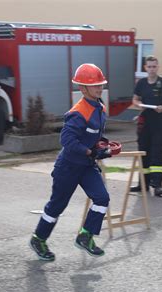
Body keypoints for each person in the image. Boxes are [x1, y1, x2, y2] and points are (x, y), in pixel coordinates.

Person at [29, 63, 113, 261]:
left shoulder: (100, 108)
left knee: (102, 198)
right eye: (95, 85)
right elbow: (66, 141)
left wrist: (101, 147)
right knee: (57, 206)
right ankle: (38, 238)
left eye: (101, 84)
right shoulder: (78, 112)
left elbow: (93, 136)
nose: (99, 88)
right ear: (82, 88)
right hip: (68, 167)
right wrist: (89, 151)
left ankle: (86, 236)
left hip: (86, 165)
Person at [130, 55, 162, 197]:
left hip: (160, 122)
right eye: (149, 66)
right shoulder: (141, 83)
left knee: (157, 154)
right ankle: (143, 184)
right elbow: (135, 100)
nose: (151, 69)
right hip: (145, 122)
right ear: (145, 68)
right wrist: (140, 105)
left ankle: (157, 185)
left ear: (158, 67)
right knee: (143, 152)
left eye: (154, 66)